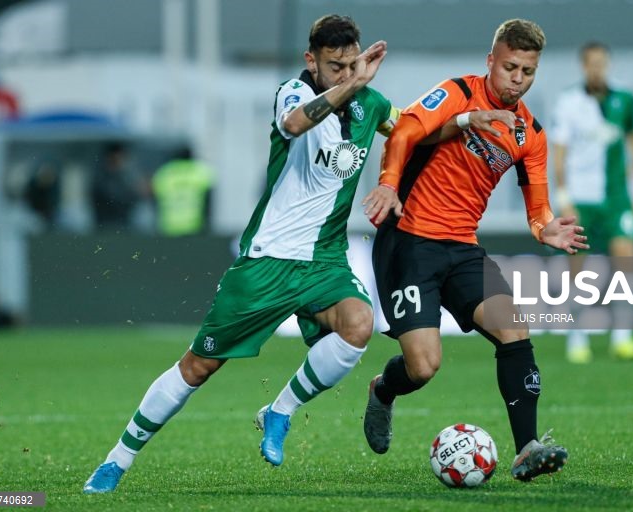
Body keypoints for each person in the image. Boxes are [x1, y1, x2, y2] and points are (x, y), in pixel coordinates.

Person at [83, 14, 399, 494]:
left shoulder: (369, 104)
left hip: (325, 260)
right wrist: (350, 85)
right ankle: (116, 461)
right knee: (198, 367)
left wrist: (463, 120)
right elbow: (295, 124)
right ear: (310, 61)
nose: (344, 73)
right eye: (335, 66)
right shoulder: (292, 94)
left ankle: (280, 411)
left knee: (359, 325)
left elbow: (412, 130)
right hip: (267, 261)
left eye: (351, 64)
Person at [361, 19, 589, 482]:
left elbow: (538, 207)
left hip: (463, 246)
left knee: (514, 327)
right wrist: (388, 185)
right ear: (491, 61)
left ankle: (527, 447)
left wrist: (545, 229)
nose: (517, 79)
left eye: (528, 71)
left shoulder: (531, 134)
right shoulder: (456, 93)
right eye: (510, 67)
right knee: (423, 367)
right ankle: (384, 389)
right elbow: (404, 131)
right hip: (411, 241)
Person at [551, 42, 633, 364]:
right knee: (577, 270)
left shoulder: (624, 99)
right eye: (591, 64)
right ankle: (577, 338)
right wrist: (563, 196)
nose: (597, 69)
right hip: (582, 197)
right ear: (584, 66)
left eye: (602, 63)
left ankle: (622, 337)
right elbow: (560, 152)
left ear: (608, 64)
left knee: (626, 259)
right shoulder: (569, 103)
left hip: (617, 196)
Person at [152, 146, 216, 236]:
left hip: (168, 227)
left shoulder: (164, 173)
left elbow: (155, 200)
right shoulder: (201, 172)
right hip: (195, 227)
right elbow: (208, 201)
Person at [91, 142, 149, 228]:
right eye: (116, 159)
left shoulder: (125, 175)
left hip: (126, 225)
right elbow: (113, 197)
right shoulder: (102, 177)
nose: (120, 163)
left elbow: (143, 193)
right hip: (106, 225)